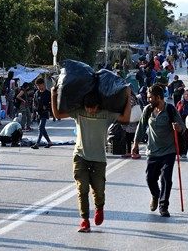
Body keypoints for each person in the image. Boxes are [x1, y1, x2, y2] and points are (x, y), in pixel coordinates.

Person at [51, 86, 132, 232]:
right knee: (82, 189)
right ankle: (84, 220)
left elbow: (125, 118)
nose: (90, 111)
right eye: (88, 108)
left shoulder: (106, 114)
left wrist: (128, 98)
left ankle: (99, 208)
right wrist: (53, 94)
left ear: (98, 106)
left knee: (98, 190)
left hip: (99, 158)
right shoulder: (79, 112)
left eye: (93, 108)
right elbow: (57, 114)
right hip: (80, 156)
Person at [132, 84, 186, 217]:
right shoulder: (148, 110)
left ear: (159, 97)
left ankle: (163, 206)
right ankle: (155, 195)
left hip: (168, 151)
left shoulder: (170, 110)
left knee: (166, 179)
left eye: (150, 97)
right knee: (150, 178)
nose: (148, 100)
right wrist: (135, 144)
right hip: (152, 151)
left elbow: (182, 127)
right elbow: (141, 126)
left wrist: (177, 127)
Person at [32, 78, 53, 149]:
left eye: (39, 85)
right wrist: (34, 112)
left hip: (45, 113)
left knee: (40, 127)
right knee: (42, 129)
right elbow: (34, 103)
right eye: (37, 86)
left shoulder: (48, 93)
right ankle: (49, 142)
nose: (38, 87)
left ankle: (37, 144)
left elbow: (52, 104)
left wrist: (47, 108)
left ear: (43, 84)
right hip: (38, 113)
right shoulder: (36, 93)